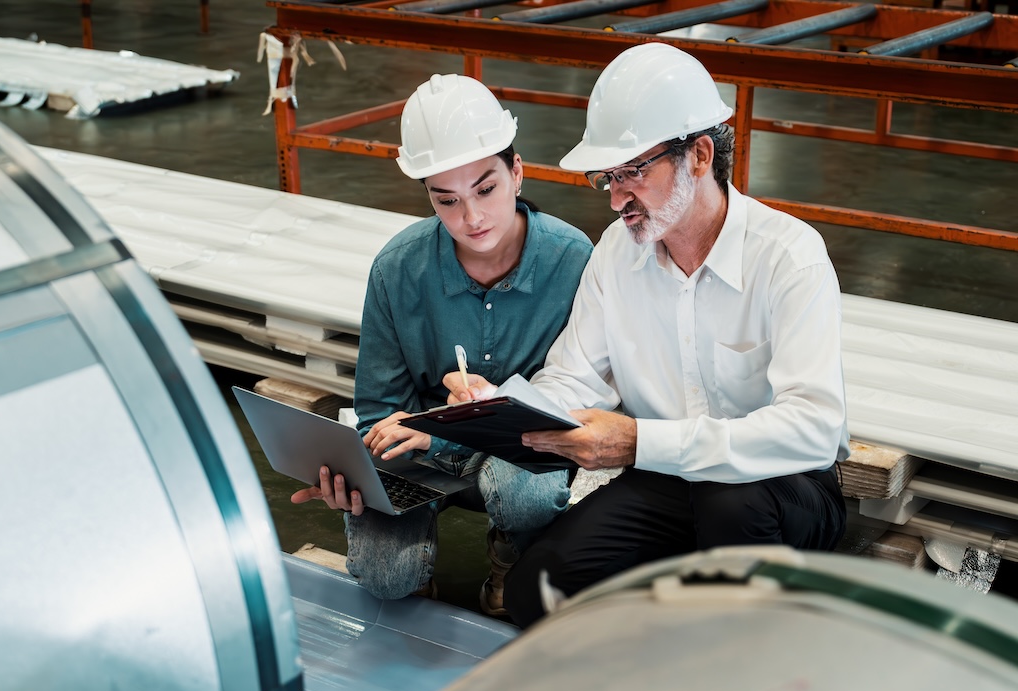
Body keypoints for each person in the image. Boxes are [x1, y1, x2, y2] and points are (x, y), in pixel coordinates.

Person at [444, 43, 849, 628]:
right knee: (540, 590)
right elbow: (573, 375)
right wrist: (499, 407)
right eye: (607, 177)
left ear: (701, 155)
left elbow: (812, 431)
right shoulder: (617, 253)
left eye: (634, 172)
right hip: (669, 483)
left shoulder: (789, 258)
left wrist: (637, 443)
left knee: (728, 501)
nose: (615, 198)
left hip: (778, 492)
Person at [291, 73, 593, 616]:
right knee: (387, 580)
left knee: (525, 490)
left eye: (486, 189)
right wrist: (356, 476)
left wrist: (449, 432)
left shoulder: (573, 261)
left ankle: (513, 554)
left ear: (517, 172)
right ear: (427, 194)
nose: (471, 218)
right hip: (418, 456)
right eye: (446, 200)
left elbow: (576, 405)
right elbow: (380, 412)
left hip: (518, 451)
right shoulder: (397, 269)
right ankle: (412, 556)